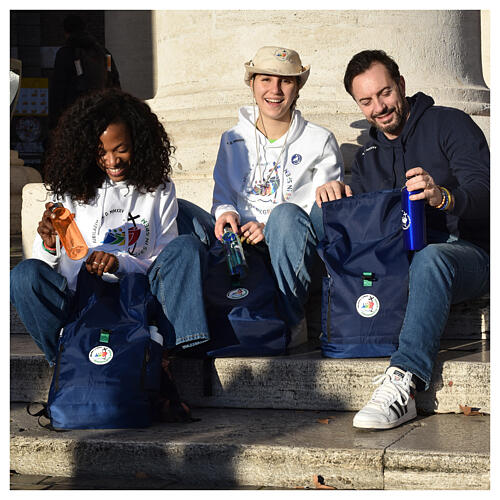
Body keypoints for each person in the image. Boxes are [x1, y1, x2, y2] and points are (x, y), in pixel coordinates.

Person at [10, 88, 206, 421]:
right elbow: (52, 267)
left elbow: (164, 256)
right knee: (23, 275)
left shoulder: (158, 189)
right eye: (101, 152)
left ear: (139, 144)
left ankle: (164, 360)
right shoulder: (69, 189)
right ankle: (66, 361)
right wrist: (48, 242)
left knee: (186, 247)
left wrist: (120, 262)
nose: (112, 161)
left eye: (122, 149)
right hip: (83, 302)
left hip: (139, 298)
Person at [321, 50, 489, 430]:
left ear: (401, 86)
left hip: (467, 254)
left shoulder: (450, 124)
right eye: (366, 101)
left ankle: (405, 381)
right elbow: (368, 224)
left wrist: (443, 196)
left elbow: (486, 189)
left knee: (431, 259)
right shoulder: (368, 154)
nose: (379, 107)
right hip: (403, 262)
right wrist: (343, 195)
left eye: (385, 93)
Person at [179, 45, 344, 340]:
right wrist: (226, 214)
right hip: (238, 243)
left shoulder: (320, 140)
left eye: (286, 81)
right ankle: (188, 332)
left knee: (285, 217)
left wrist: (268, 228)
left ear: (298, 88)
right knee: (179, 210)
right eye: (265, 79)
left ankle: (290, 319)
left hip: (287, 244)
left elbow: (322, 213)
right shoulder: (232, 138)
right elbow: (223, 194)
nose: (275, 90)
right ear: (251, 84)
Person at [49, 14, 121, 130]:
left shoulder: (66, 53)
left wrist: (54, 122)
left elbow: (58, 89)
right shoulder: (104, 53)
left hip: (76, 114)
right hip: (102, 113)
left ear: (66, 32)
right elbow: (115, 81)